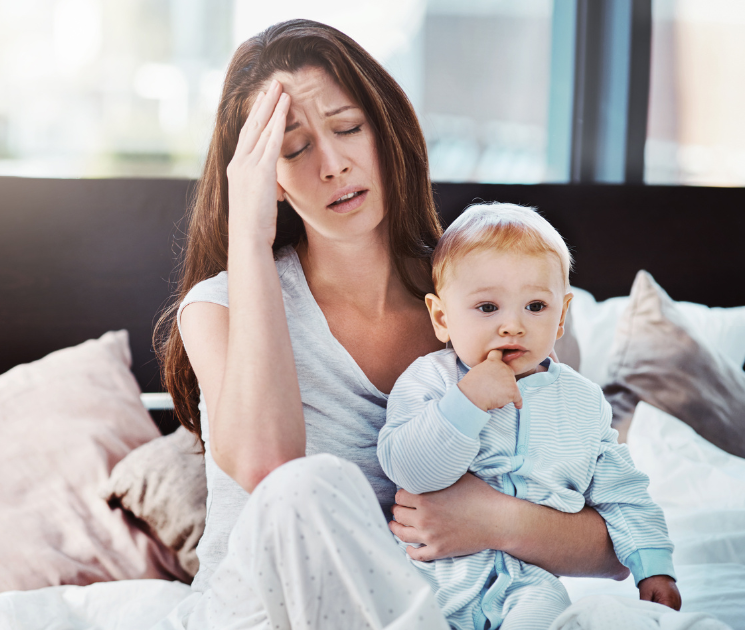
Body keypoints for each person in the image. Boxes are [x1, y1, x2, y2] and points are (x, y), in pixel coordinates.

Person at [154, 18, 629, 629]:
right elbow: (270, 468)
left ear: (386, 130)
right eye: (293, 149)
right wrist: (248, 233)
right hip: (265, 612)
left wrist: (490, 520)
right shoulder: (218, 307)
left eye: (349, 128)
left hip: (436, 608)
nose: (332, 164)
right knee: (305, 488)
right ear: (263, 176)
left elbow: (618, 541)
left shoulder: (496, 305)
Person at [377, 203, 681, 630]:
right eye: (487, 308)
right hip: (430, 575)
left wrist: (654, 566)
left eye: (535, 306)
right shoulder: (431, 381)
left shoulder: (583, 401)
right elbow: (408, 469)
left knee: (550, 611)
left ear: (561, 317)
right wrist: (467, 402)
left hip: (528, 581)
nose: (513, 326)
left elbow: (622, 491)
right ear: (442, 317)